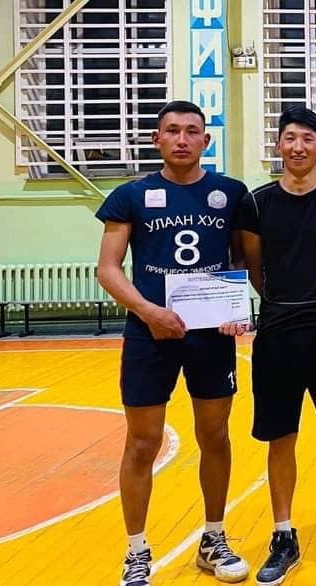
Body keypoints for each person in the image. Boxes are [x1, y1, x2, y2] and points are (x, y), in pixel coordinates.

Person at [95, 100, 250, 586]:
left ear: (206, 139)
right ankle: (136, 552)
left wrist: (234, 308)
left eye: (192, 131)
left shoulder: (231, 193)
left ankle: (213, 538)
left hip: (211, 337)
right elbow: (108, 269)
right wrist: (149, 311)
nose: (182, 139)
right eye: (173, 131)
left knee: (215, 437)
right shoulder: (131, 195)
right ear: (157, 139)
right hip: (150, 335)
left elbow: (241, 262)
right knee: (143, 443)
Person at [237, 105, 316, 586]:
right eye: (290, 138)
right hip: (276, 334)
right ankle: (283, 534)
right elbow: (254, 268)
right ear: (279, 145)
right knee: (280, 437)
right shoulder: (257, 203)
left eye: (307, 139)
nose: (298, 147)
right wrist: (282, 302)